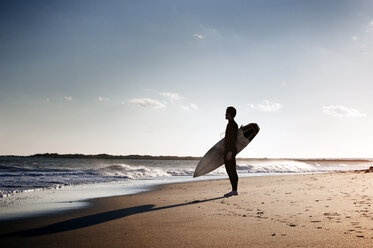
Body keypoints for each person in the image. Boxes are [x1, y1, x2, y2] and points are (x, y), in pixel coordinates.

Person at [224, 106, 239, 197]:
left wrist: (230, 152)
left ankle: (234, 190)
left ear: (230, 114)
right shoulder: (230, 124)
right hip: (228, 150)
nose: (225, 114)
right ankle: (234, 189)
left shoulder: (233, 125)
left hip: (230, 150)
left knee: (232, 170)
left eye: (226, 112)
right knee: (229, 170)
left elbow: (233, 140)